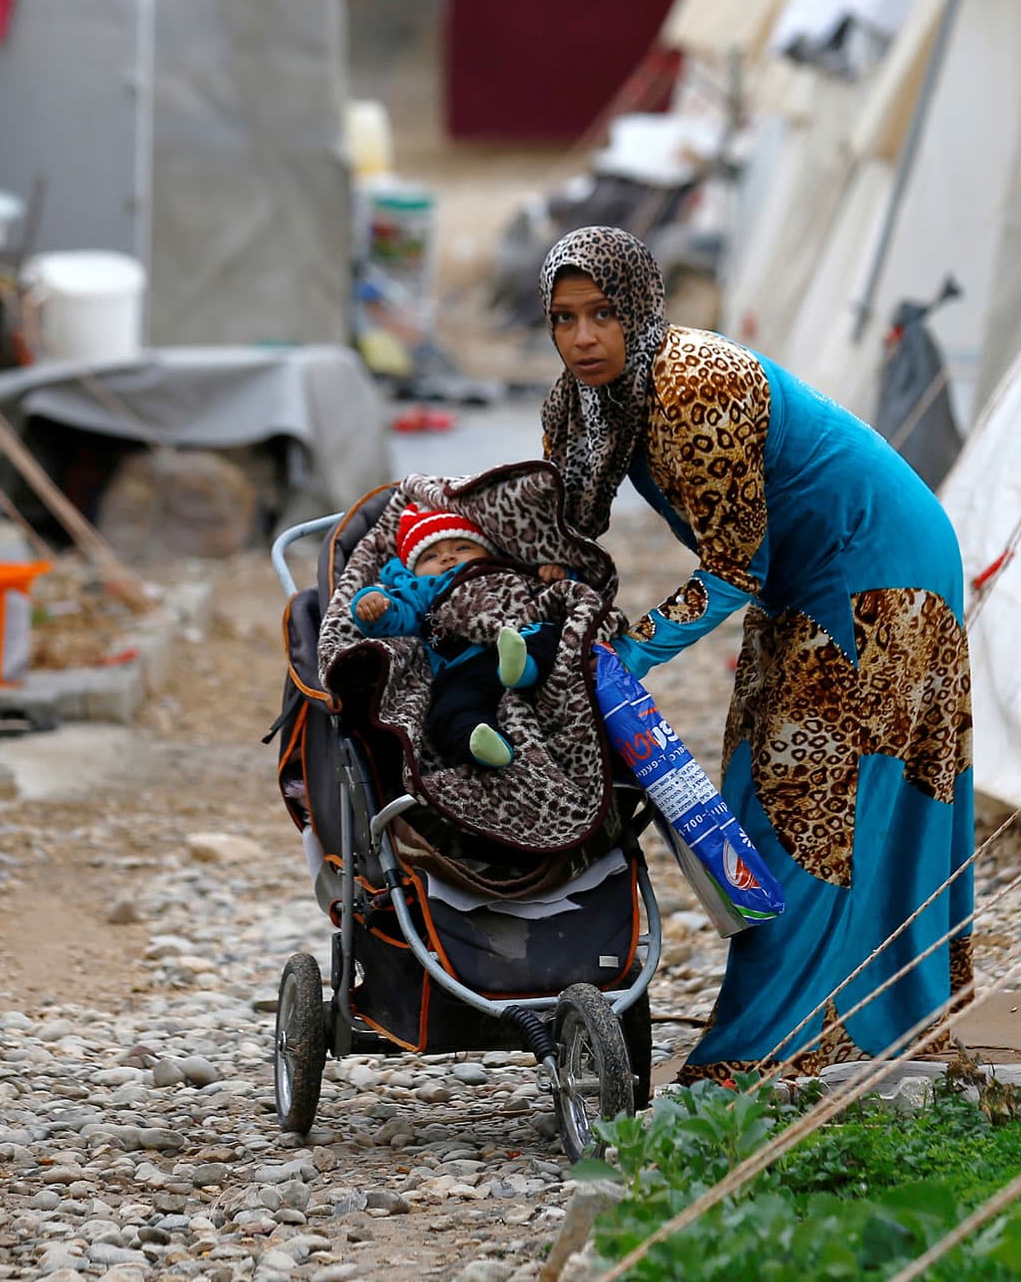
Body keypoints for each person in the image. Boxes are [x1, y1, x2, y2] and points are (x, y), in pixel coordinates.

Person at [539, 225, 975, 1083]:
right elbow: (560, 533)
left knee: (812, 803)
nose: (583, 337)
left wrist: (628, 647)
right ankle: (836, 1020)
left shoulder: (697, 382)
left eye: (602, 314)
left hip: (879, 566)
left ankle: (794, 1044)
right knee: (757, 793)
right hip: (805, 580)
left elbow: (738, 565)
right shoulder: (582, 404)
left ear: (640, 308)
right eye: (563, 318)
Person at [349, 503, 565, 769]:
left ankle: (524, 668)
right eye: (430, 556)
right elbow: (398, 616)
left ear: (487, 551)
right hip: (464, 666)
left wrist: (554, 573)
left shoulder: (504, 570)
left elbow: (552, 599)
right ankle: (483, 745)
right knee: (448, 712)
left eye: (462, 548)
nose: (448, 558)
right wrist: (373, 605)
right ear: (413, 570)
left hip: (516, 639)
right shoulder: (421, 589)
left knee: (550, 633)